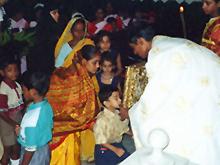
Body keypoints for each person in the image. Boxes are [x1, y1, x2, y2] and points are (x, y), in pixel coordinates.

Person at [125, 24, 220, 165]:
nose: (136, 53)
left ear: (141, 41)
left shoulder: (161, 54)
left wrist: (132, 112)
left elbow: (156, 98)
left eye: (134, 48)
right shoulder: (169, 44)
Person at [47, 45, 100, 165]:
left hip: (70, 130)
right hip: (63, 132)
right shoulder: (74, 79)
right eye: (95, 62)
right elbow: (69, 109)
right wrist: (88, 121)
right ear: (84, 61)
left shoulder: (82, 77)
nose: (98, 66)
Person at [17, 72, 53, 165]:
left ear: (33, 92)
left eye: (24, 90)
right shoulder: (46, 105)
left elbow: (30, 149)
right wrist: (21, 133)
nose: (22, 92)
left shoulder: (32, 118)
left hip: (33, 156)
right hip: (44, 149)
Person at [94, 87, 130, 165]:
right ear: (106, 103)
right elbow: (101, 141)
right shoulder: (101, 120)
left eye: (119, 97)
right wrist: (116, 150)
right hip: (104, 149)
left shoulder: (117, 114)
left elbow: (123, 129)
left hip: (117, 145)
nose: (120, 100)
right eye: (116, 98)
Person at [0, 56, 24, 165]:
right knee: (8, 149)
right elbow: (2, 112)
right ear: (2, 72)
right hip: (7, 121)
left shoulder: (17, 85)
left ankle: (15, 163)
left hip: (16, 120)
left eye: (16, 70)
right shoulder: (3, 88)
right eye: (9, 70)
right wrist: (13, 124)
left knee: (16, 147)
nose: (14, 73)